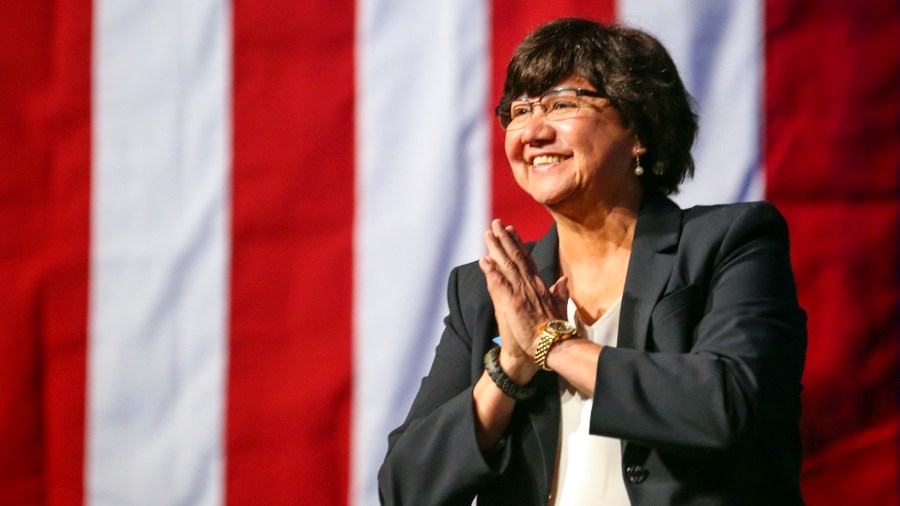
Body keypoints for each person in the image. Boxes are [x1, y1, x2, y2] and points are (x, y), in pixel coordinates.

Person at [378, 18, 807, 506]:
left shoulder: (727, 243)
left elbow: (726, 405)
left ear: (638, 128)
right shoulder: (486, 291)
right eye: (518, 111)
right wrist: (508, 371)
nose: (532, 131)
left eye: (562, 104)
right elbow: (405, 489)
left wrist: (552, 344)